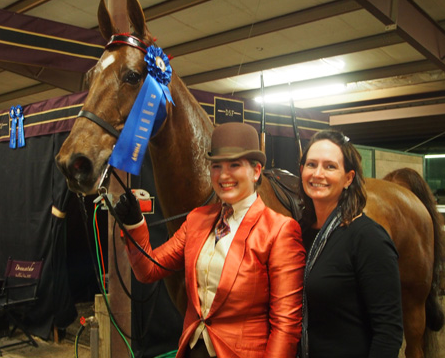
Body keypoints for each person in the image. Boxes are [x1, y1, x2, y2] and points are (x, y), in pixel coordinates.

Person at [114, 122, 305, 358]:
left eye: (234, 165)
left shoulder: (279, 230)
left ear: (256, 171)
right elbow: (149, 270)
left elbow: (286, 326)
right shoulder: (198, 220)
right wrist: (134, 224)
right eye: (216, 166)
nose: (224, 175)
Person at [298, 130, 403, 358]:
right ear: (302, 171)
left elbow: (388, 332)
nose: (318, 173)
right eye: (311, 164)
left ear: (348, 178)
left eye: (330, 166)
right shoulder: (299, 232)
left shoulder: (368, 239)